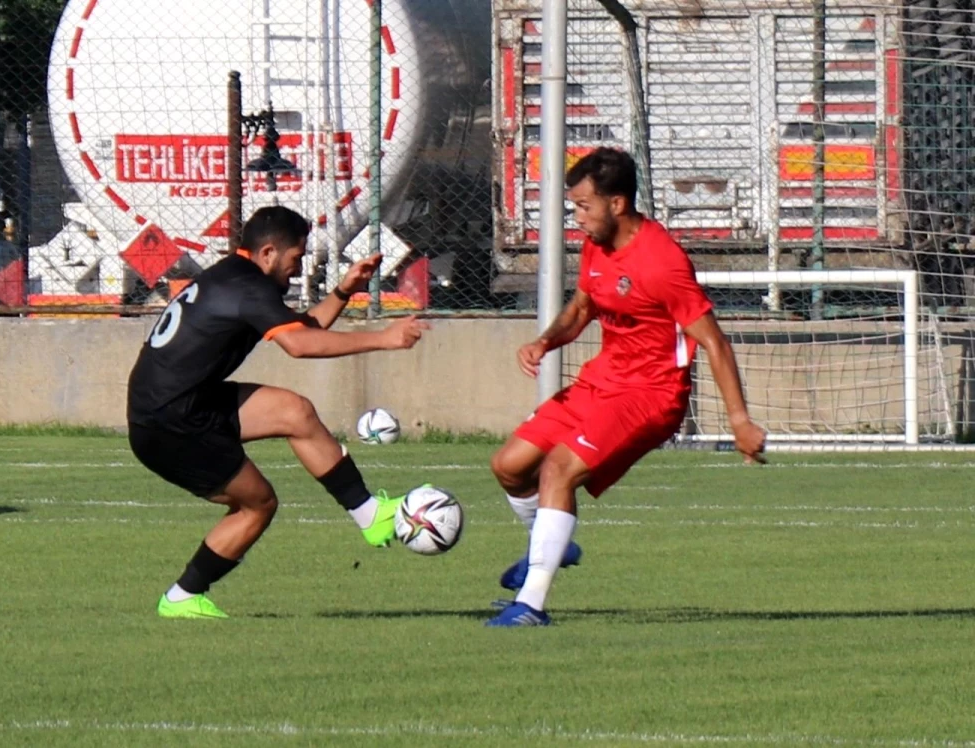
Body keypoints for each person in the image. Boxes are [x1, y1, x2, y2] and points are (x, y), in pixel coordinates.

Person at [486, 147, 766, 627]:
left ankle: (529, 604)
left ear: (617, 204)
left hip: (651, 395)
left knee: (558, 470)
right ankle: (551, 545)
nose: (577, 218)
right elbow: (580, 308)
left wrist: (739, 421)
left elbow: (714, 343)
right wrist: (545, 342)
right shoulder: (598, 243)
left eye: (584, 206)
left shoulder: (661, 263)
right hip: (603, 380)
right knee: (509, 466)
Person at [127, 205, 428, 620]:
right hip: (169, 424)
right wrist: (385, 339)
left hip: (181, 403)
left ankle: (370, 515)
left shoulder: (236, 276)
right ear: (268, 253)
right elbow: (301, 346)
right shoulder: (247, 288)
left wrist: (343, 291)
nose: (297, 267)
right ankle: (181, 596)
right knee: (259, 504)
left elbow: (301, 330)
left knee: (294, 411)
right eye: (295, 258)